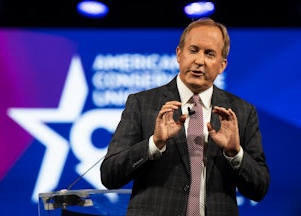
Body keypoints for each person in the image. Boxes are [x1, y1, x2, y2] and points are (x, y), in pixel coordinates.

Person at [100, 17, 270, 216]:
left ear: (222, 65)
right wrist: (154, 144)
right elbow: (109, 174)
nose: (199, 61)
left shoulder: (241, 112)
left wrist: (235, 154)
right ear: (179, 54)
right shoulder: (142, 103)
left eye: (209, 54)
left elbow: (259, 188)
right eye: (193, 50)